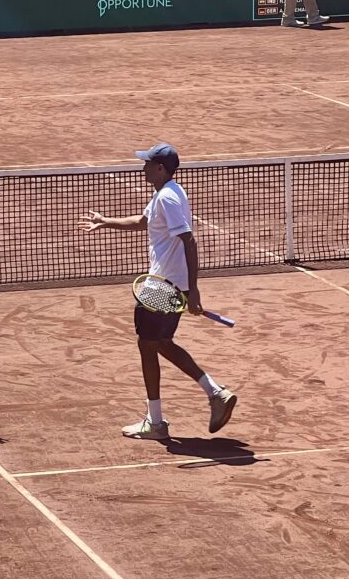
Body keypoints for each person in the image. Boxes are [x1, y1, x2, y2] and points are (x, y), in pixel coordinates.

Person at [77, 143, 237, 440]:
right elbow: (143, 222)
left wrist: (194, 290)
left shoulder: (168, 198)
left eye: (148, 164)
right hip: (171, 283)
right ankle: (215, 393)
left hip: (163, 285)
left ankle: (157, 422)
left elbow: (189, 241)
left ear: (161, 168)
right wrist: (104, 221)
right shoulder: (167, 193)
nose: (143, 168)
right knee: (160, 342)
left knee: (148, 346)